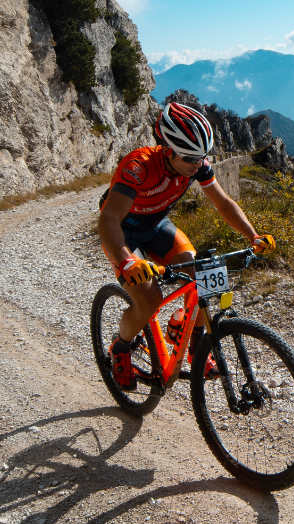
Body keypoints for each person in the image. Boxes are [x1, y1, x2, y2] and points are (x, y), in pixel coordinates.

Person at [96, 101, 275, 389]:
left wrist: (253, 236)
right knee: (149, 299)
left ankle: (195, 346)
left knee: (204, 275)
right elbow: (108, 220)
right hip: (124, 233)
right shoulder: (138, 167)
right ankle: (120, 348)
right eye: (190, 159)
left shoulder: (196, 165)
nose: (197, 165)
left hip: (157, 227)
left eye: (201, 157)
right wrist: (126, 260)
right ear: (168, 150)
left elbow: (224, 204)